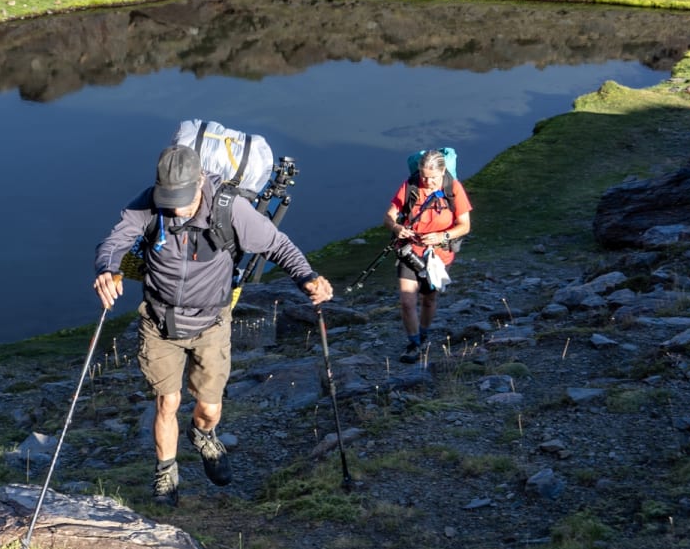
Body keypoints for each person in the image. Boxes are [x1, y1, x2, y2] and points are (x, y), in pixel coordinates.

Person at [93, 145, 333, 506]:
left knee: (209, 408)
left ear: (200, 181)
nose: (176, 208)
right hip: (159, 320)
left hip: (211, 323)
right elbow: (114, 242)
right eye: (169, 199)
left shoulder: (229, 209)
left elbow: (277, 245)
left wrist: (307, 278)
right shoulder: (148, 204)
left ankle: (203, 433)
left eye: (183, 199)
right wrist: (107, 269)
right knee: (167, 401)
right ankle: (166, 475)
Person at [382, 149, 472, 363]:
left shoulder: (453, 188)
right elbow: (389, 216)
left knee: (429, 299)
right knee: (407, 301)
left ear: (443, 171)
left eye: (432, 178)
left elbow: (465, 225)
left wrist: (442, 236)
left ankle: (424, 333)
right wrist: (396, 228)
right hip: (409, 250)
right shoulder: (411, 185)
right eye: (423, 176)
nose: (427, 181)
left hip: (439, 256)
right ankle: (414, 344)